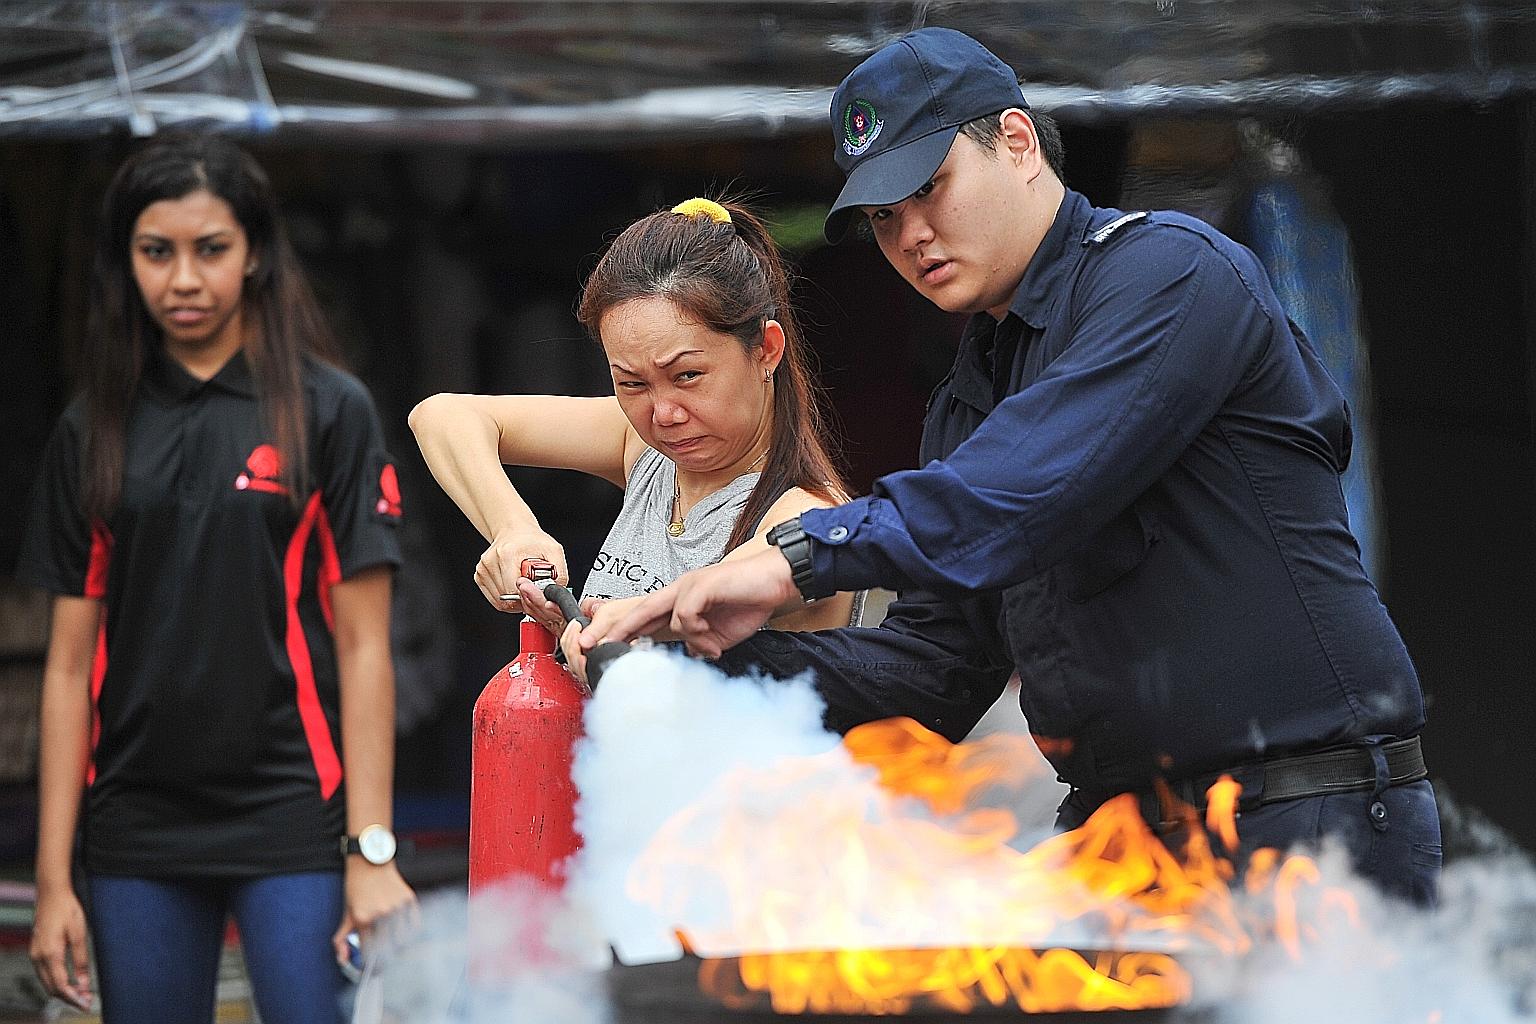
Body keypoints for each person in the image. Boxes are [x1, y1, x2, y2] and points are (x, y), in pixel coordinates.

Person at [582, 29, 1440, 904]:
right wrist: (699, 662)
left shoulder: (1169, 274)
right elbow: (933, 672)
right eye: (883, 217)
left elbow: (1017, 494)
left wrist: (791, 556)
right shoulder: (968, 393)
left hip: (1303, 822)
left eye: (929, 189)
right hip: (1122, 839)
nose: (910, 234)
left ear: (1019, 144)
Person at [18, 133, 416, 1023]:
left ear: (256, 255)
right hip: (136, 825)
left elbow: (363, 647)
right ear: (126, 263)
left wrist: (373, 849)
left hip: (293, 814)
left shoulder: (328, 412)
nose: (184, 279)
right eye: (156, 252)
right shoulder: (93, 431)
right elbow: (67, 669)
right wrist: (52, 883)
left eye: (211, 249)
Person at [409, 197, 856, 644]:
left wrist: (608, 626)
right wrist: (513, 530)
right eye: (632, 384)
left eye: (688, 376)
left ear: (767, 350)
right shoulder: (645, 450)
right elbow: (442, 415)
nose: (664, 414)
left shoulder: (808, 513)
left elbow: (712, 600)